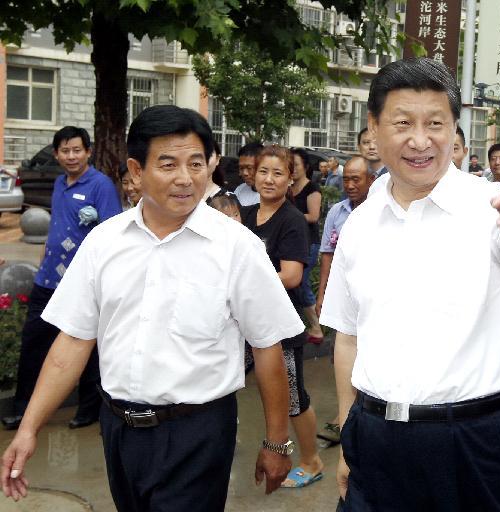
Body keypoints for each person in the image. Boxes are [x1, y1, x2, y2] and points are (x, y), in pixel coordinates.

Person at [0, 105, 302, 509]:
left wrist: (276, 441)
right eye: (168, 164)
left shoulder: (236, 247)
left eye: (196, 163)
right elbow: (73, 341)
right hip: (119, 429)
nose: (185, 178)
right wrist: (29, 427)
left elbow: (268, 347)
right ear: (136, 171)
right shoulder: (104, 243)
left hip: (197, 433)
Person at [321, 58, 500, 511]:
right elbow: (348, 336)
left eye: (436, 123)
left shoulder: (493, 206)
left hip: (478, 440)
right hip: (376, 435)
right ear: (374, 128)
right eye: (403, 123)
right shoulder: (359, 224)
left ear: (455, 131)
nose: (421, 140)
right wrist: (347, 434)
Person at [2, 126, 121, 432]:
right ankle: (22, 408)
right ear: (56, 154)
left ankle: (88, 409)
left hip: (83, 282)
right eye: (65, 151)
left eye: (77, 150)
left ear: (88, 152)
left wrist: (96, 220)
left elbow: (112, 234)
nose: (71, 156)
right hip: (48, 280)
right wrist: (44, 256)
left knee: (86, 346)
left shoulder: (101, 185)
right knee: (33, 343)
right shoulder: (58, 183)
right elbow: (56, 225)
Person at [241, 144, 324, 489]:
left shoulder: (291, 220)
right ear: (252, 175)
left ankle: (311, 460)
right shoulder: (245, 215)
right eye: (263, 172)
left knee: (292, 396)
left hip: (280, 325)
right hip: (247, 322)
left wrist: (243, 282)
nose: (269, 179)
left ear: (290, 178)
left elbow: (290, 275)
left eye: (278, 173)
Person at [314, 156, 376, 448]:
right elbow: (328, 254)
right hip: (344, 295)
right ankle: (346, 418)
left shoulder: (380, 213)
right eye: (347, 179)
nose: (350, 185)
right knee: (344, 352)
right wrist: (323, 292)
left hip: (372, 296)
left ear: (371, 180)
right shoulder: (337, 212)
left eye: (357, 179)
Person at [289, 147, 325, 344]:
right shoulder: (288, 187)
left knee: (301, 283)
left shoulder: (312, 189)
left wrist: (289, 218)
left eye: (295, 165)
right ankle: (304, 326)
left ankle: (316, 328)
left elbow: (313, 216)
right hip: (292, 243)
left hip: (309, 243)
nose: (292, 169)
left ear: (305, 167)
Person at [234, 141, 263, 206]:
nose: (244, 173)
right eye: (241, 168)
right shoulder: (240, 190)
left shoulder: (272, 196)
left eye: (249, 168)